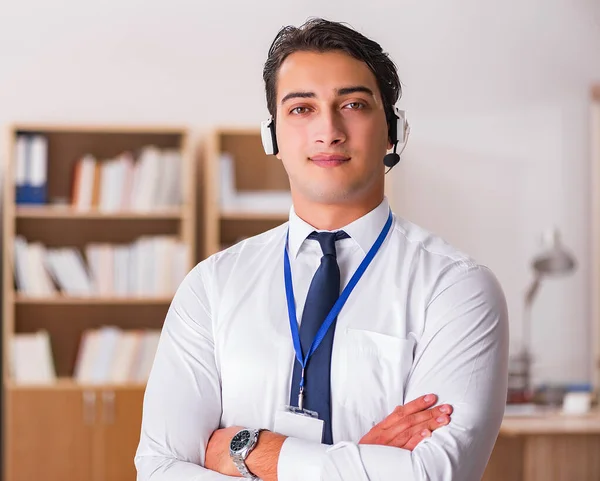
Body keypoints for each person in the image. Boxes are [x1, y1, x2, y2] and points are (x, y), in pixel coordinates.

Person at [135, 18, 509, 481]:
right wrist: (362, 460)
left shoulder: (457, 288)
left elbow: (431, 476)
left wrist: (248, 451)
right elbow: (158, 470)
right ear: (272, 136)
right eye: (301, 109)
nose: (328, 130)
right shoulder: (211, 287)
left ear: (393, 130)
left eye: (352, 104)